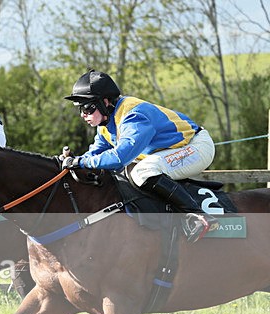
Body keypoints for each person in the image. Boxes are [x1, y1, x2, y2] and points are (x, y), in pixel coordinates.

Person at [62, 69, 219, 243]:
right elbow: (94, 153)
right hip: (170, 150)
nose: (83, 115)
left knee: (142, 171)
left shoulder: (134, 116)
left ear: (104, 102)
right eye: (80, 109)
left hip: (196, 147)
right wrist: (74, 162)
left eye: (87, 108)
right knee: (130, 172)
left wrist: (81, 161)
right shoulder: (105, 124)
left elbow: (119, 157)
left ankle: (199, 216)